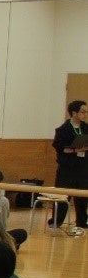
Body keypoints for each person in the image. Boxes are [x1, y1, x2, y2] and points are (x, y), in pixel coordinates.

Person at [51, 100, 88, 234]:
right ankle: (56, 221)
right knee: (63, 195)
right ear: (74, 113)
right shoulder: (63, 130)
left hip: (83, 166)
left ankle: (82, 221)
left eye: (86, 112)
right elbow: (59, 147)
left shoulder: (86, 128)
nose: (85, 114)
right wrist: (75, 150)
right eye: (83, 112)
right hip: (67, 167)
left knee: (83, 195)